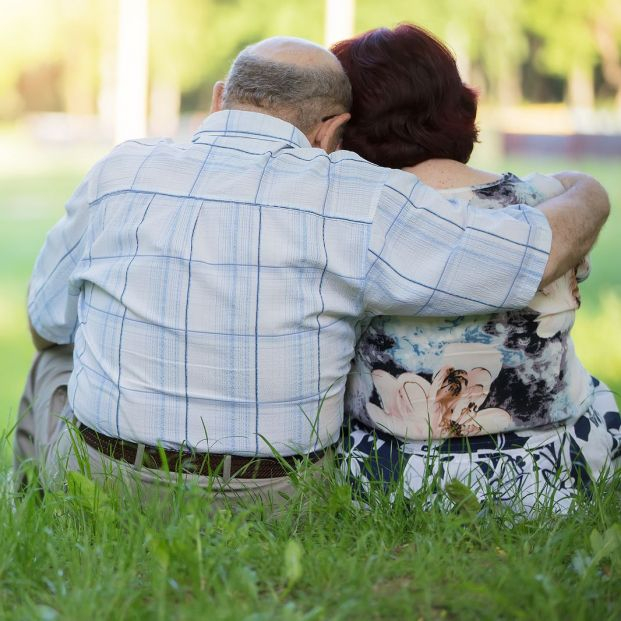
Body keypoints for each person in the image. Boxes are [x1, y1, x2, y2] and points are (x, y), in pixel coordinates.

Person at [15, 36, 610, 511]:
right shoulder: (356, 197)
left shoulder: (121, 169)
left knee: (50, 360)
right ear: (331, 130)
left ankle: (28, 512)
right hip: (275, 497)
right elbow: (525, 255)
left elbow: (46, 320)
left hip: (107, 478)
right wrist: (587, 194)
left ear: (221, 97)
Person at [332, 24, 620, 514]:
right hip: (558, 469)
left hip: (399, 476)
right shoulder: (549, 202)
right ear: (458, 106)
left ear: (348, 123)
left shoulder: (348, 218)